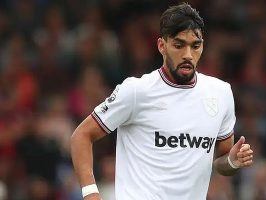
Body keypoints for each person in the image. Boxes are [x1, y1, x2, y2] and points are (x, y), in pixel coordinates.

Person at [70, 3, 254, 200]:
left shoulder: (221, 93)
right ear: (162, 46)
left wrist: (233, 162)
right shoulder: (136, 91)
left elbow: (220, 162)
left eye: (195, 46)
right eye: (178, 45)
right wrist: (91, 194)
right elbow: (81, 135)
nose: (187, 55)